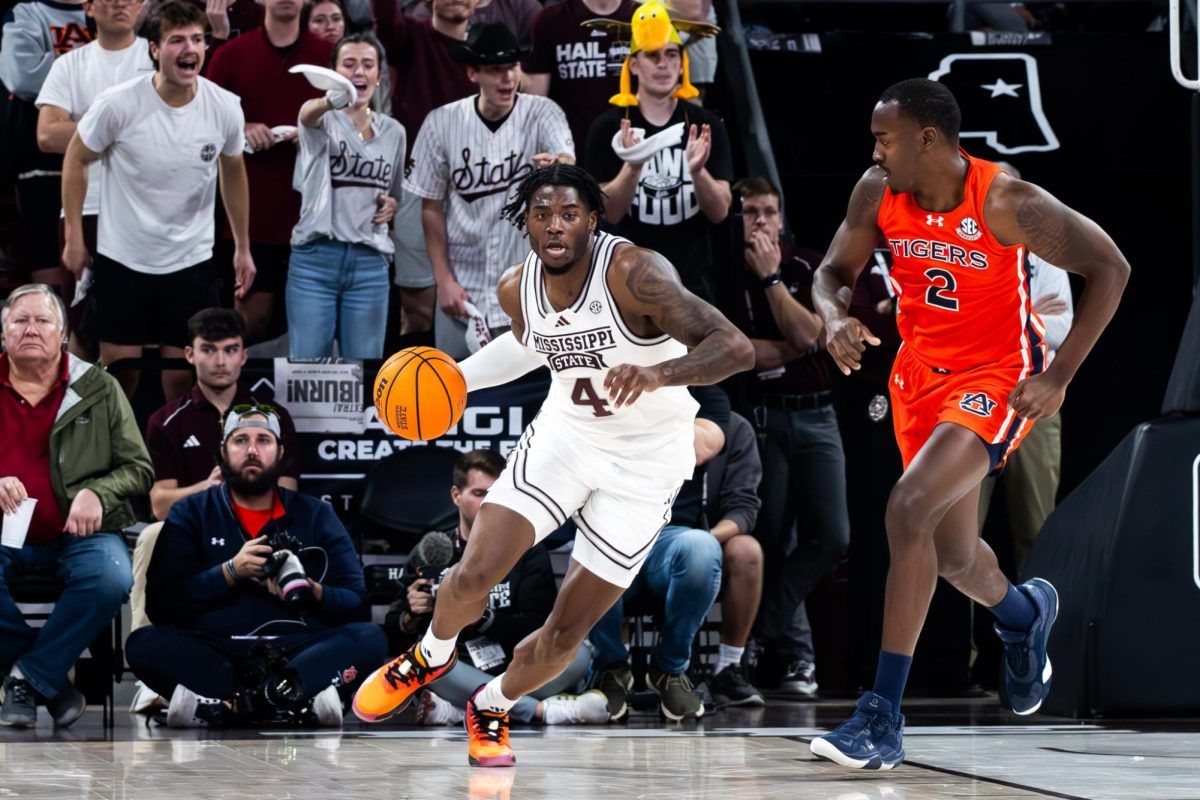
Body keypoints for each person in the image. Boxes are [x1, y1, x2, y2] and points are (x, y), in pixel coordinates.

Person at [351, 164, 753, 766]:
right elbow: (531, 342)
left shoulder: (635, 273)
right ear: (526, 225)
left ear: (593, 220)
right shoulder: (518, 287)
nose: (556, 226)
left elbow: (735, 348)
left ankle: (491, 704)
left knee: (567, 632)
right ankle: (430, 653)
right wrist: (458, 379)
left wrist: (659, 372)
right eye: (542, 216)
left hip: (645, 466)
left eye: (569, 214)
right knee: (472, 572)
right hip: (565, 439)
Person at [810, 78, 1130, 770]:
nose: (875, 150)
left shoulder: (1005, 199)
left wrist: (1059, 375)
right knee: (953, 557)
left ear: (928, 139)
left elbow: (1111, 267)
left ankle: (881, 715)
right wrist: (834, 317)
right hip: (917, 378)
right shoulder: (877, 192)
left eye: (884, 137)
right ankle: (1023, 617)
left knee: (909, 508)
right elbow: (832, 270)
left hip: (994, 377)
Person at [126, 406, 387, 728]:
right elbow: (162, 605)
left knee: (370, 637)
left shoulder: (316, 514)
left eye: (264, 440)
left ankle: (232, 707)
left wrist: (311, 590)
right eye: (240, 441)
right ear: (222, 451)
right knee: (143, 644)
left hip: (298, 648)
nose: (252, 450)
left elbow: (358, 604)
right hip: (217, 649)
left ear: (280, 452)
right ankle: (292, 702)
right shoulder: (191, 513)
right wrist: (230, 572)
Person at [60, 0, 255, 401]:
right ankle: (111, 459)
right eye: (177, 39)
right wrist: (75, 236)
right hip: (123, 258)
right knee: (118, 377)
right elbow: (76, 158)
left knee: (182, 380)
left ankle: (176, 460)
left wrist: (242, 247)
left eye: (198, 39)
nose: (190, 48)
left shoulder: (224, 106)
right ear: (154, 48)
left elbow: (233, 170)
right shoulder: (119, 102)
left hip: (191, 261)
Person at [0, 284, 153, 728]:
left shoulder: (98, 387)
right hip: (4, 533)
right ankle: (40, 678)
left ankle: (26, 677)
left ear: (63, 334)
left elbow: (139, 467)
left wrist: (97, 493)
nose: (31, 329)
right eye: (20, 320)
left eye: (42, 320)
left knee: (111, 577)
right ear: (3, 333)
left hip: (80, 534)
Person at [729, 177, 848, 697]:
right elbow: (738, 352)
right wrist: (796, 344)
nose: (760, 221)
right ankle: (798, 659)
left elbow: (812, 336)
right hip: (763, 418)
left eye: (769, 211)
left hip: (818, 414)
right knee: (773, 539)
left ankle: (760, 632)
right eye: (751, 212)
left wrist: (773, 279)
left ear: (782, 218)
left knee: (831, 537)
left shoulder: (808, 266)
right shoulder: (728, 275)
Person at [387, 450, 609, 727]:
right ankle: (541, 712)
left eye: (496, 495)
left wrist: (481, 618)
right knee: (424, 663)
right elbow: (393, 632)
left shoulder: (529, 549)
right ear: (456, 495)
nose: (488, 503)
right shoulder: (431, 552)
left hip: (518, 665)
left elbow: (538, 624)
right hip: (460, 666)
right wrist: (410, 615)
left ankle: (460, 709)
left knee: (577, 653)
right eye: (479, 494)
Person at [405, 22, 574, 357]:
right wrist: (443, 281)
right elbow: (430, 208)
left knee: (529, 398)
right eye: (495, 70)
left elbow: (566, 158)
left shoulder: (543, 113)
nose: (508, 78)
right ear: (473, 73)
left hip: (530, 291)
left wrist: (558, 165)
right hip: (462, 292)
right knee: (457, 392)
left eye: (512, 67)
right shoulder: (441, 122)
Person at [342, 0, 481, 349]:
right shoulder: (410, 37)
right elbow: (385, 15)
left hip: (479, 187)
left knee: (477, 298)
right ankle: (417, 385)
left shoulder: (487, 47)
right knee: (418, 306)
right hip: (417, 185)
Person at [588, 385, 727, 721]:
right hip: (610, 527)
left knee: (702, 547)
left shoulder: (704, 391)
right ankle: (611, 668)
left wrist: (650, 397)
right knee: (593, 546)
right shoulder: (597, 379)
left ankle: (669, 668)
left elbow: (703, 446)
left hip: (668, 536)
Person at [584, 4, 731, 303]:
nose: (663, 64)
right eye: (652, 55)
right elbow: (608, 213)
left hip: (693, 283)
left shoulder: (706, 124)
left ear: (682, 64)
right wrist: (633, 165)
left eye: (671, 54)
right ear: (634, 65)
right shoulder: (607, 127)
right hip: (626, 285)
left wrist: (698, 172)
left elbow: (720, 212)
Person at [206, 0, 333, 343]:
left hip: (313, 217)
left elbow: (355, 122)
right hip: (251, 216)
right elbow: (202, 118)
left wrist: (313, 132)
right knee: (251, 323)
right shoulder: (233, 53)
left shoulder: (328, 57)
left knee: (311, 331)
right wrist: (242, 126)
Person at [34, 0, 155, 361]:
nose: (120, 4)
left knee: (139, 332)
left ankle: (136, 416)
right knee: (83, 327)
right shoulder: (70, 64)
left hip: (149, 210)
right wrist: (125, 129)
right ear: (88, 7)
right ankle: (83, 413)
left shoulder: (158, 59)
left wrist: (89, 128)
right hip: (85, 207)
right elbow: (47, 136)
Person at [977, 162, 1074, 579]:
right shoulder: (960, 249)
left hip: (1032, 402)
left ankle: (1033, 641)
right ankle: (960, 648)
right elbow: (949, 324)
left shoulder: (1047, 248)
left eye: (1006, 189)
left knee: (1037, 529)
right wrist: (1030, 316)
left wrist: (990, 319)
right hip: (972, 402)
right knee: (958, 541)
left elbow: (1062, 326)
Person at [287, 32, 404, 358]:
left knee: (365, 372)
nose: (359, 72)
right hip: (315, 261)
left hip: (370, 263)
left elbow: (395, 193)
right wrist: (329, 100)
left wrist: (392, 204)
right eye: (349, 64)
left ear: (378, 76)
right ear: (334, 72)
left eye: (368, 65)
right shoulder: (321, 119)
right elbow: (307, 114)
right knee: (307, 371)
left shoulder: (394, 132)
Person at [145, 308, 299, 521]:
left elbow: (288, 496)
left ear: (243, 355)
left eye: (230, 350)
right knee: (153, 536)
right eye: (208, 350)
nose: (220, 362)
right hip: (192, 528)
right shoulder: (165, 422)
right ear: (190, 354)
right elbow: (160, 506)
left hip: (259, 529)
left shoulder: (275, 417)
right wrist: (207, 488)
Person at [0, 0, 89, 299]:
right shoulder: (26, 12)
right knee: (50, 268)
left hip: (107, 164)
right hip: (42, 161)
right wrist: (98, 67)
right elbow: (22, 75)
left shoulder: (113, 9)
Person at [702, 411, 766, 708]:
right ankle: (616, 668)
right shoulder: (647, 416)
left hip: (711, 536)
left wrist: (706, 539)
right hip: (650, 535)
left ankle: (729, 666)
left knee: (747, 552)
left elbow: (744, 510)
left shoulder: (736, 428)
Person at [521, 0, 636, 157]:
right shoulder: (549, 22)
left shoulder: (642, 18)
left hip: (631, 149)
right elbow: (535, 105)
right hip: (568, 154)